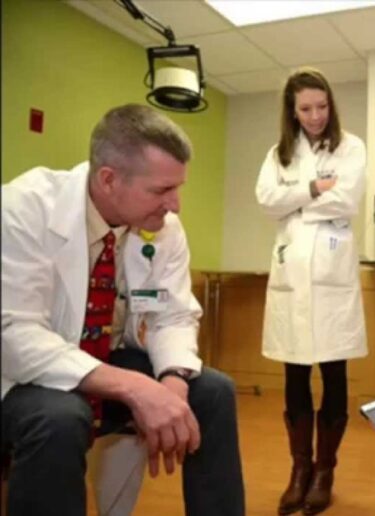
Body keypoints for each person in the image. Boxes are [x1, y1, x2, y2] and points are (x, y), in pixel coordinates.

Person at [1, 103, 245, 516]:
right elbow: (15, 333)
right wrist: (136, 388)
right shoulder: (23, 209)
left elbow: (173, 313)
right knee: (60, 418)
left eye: (177, 188)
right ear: (109, 179)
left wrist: (171, 382)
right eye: (161, 190)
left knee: (213, 392)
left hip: (107, 354)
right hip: (22, 373)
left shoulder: (163, 226)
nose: (176, 205)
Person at [255, 67, 367, 515]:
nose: (315, 115)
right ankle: (299, 470)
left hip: (331, 279)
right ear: (292, 110)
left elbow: (348, 200)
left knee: (334, 373)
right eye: (306, 108)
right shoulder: (278, 153)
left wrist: (294, 200)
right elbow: (266, 200)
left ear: (331, 104)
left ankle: (325, 472)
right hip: (291, 279)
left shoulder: (350, 146)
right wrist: (313, 188)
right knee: (295, 375)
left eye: (321, 106)